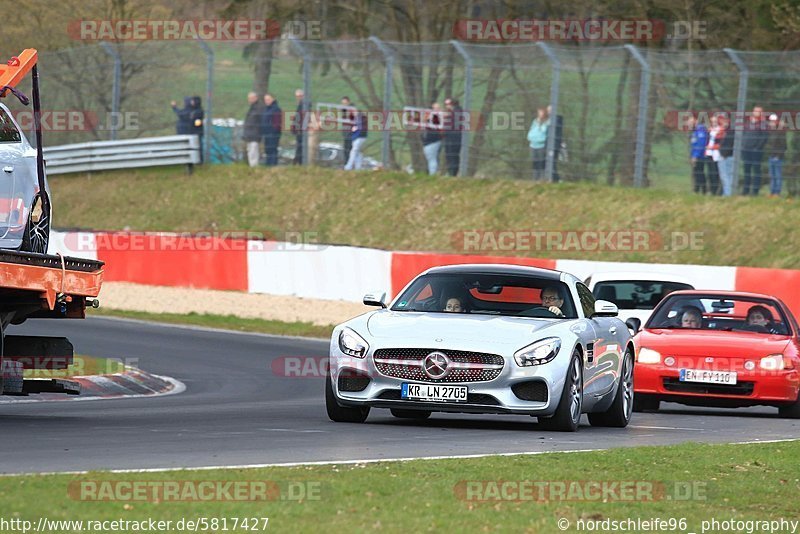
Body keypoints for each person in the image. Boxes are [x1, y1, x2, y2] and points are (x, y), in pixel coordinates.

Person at [742, 106, 769, 196]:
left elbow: (764, 137)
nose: (756, 113)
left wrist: (757, 147)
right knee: (747, 170)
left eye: (758, 111)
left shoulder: (763, 123)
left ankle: (755, 191)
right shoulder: (748, 122)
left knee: (756, 170)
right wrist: (743, 145)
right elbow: (744, 133)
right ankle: (745, 190)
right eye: (755, 111)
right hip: (746, 149)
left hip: (756, 151)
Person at [765, 113, 787, 197]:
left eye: (773, 121)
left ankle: (777, 192)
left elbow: (784, 146)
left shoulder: (781, 132)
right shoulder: (771, 131)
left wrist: (778, 156)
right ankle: (772, 192)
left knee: (777, 175)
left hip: (777, 157)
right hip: (771, 156)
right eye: (770, 121)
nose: (771, 122)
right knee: (772, 175)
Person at [527, 107, 549, 181]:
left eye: (541, 112)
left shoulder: (547, 122)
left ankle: (542, 178)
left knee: (542, 162)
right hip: (533, 145)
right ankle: (535, 178)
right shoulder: (535, 121)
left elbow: (544, 131)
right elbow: (532, 130)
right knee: (535, 162)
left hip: (541, 145)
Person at [715, 115, 735, 197]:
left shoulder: (731, 131)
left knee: (726, 176)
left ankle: (727, 194)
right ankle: (727, 193)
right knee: (726, 176)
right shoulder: (723, 131)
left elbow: (730, 144)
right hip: (724, 155)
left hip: (727, 156)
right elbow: (717, 141)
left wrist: (723, 154)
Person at [243, 92, 264, 167]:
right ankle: (252, 166)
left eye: (251, 98)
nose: (250, 100)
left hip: (255, 133)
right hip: (249, 134)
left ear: (256, 98)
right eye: (249, 98)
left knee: (253, 151)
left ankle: (254, 166)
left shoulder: (258, 108)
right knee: (250, 151)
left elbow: (260, 121)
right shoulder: (252, 108)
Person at [689, 115, 708, 194]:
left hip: (700, 156)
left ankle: (701, 190)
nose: (689, 124)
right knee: (697, 173)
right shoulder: (696, 131)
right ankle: (699, 190)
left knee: (699, 173)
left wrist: (695, 156)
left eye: (690, 122)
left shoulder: (700, 131)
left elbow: (700, 145)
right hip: (697, 155)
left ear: (695, 121)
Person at [443, 97, 462, 176]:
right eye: (445, 104)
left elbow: (453, 125)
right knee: (451, 155)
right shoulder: (454, 112)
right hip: (451, 137)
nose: (447, 106)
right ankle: (451, 171)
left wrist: (446, 119)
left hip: (453, 137)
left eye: (448, 104)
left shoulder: (457, 112)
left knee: (452, 155)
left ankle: (452, 173)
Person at [422, 102, 443, 175]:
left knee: (432, 159)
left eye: (438, 108)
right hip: (431, 141)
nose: (437, 110)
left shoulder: (437, 117)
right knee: (432, 158)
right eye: (435, 108)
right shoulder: (432, 117)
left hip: (433, 141)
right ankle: (433, 173)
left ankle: (432, 174)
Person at [261, 93, 282, 166]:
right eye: (265, 100)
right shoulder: (267, 109)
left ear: (273, 99)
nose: (267, 101)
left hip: (273, 134)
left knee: (272, 150)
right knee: (268, 150)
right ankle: (268, 165)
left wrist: (273, 132)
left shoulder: (276, 109)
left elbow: (277, 124)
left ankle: (272, 166)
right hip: (266, 134)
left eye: (268, 99)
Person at [344, 106, 367, 170]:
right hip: (356, 137)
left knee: (354, 151)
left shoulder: (361, 117)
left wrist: (356, 128)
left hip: (360, 136)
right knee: (357, 152)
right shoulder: (355, 118)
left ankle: (348, 166)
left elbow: (361, 126)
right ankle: (358, 167)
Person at [546, 105, 563, 182]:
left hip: (554, 146)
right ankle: (553, 179)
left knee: (552, 163)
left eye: (550, 111)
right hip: (548, 145)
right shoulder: (548, 120)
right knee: (550, 163)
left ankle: (557, 179)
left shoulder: (557, 120)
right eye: (548, 111)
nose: (548, 112)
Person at [291, 89, 306, 165]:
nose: (298, 98)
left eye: (300, 96)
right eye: (297, 96)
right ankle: (297, 162)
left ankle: (298, 163)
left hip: (301, 131)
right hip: (299, 131)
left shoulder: (304, 105)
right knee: (299, 148)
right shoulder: (300, 105)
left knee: (300, 148)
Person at [340, 96, 355, 166]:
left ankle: (350, 164)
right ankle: (346, 164)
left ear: (348, 102)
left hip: (351, 132)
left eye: (345, 103)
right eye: (343, 103)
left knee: (351, 149)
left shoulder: (352, 110)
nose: (344, 105)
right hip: (345, 132)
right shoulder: (343, 110)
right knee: (346, 149)